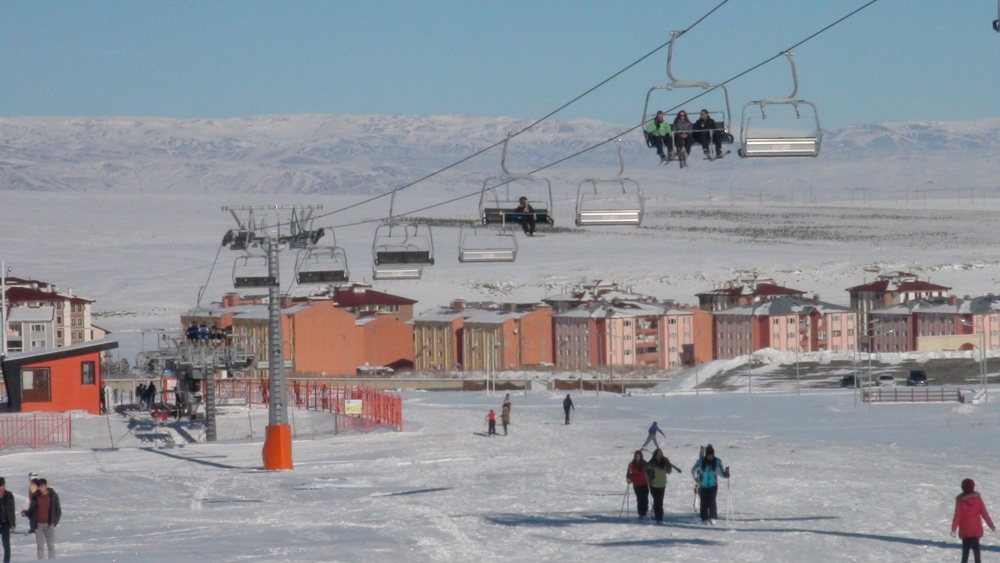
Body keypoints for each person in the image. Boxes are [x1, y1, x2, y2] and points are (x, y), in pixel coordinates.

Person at [952, 478, 996, 563]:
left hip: (965, 530)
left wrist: (953, 528)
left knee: (965, 552)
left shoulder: (960, 501)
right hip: (976, 529)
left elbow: (957, 515)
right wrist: (991, 526)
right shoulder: (977, 499)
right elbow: (984, 513)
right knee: (976, 551)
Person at [22, 478, 60, 559]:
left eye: (43, 486)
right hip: (38, 524)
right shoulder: (36, 496)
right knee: (40, 547)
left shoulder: (52, 496)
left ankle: (52, 561)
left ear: (46, 486)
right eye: (40, 487)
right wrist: (26, 513)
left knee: (50, 546)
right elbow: (32, 509)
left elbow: (58, 510)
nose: (41, 488)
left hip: (49, 524)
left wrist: (54, 522)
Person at [691, 444, 729, 524]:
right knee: (704, 502)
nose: (710, 457)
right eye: (708, 455)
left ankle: (713, 517)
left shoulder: (717, 462)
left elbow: (721, 473)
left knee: (712, 501)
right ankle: (704, 518)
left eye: (711, 455)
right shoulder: (701, 462)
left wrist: (726, 474)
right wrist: (696, 478)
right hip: (703, 485)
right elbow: (693, 470)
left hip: (713, 485)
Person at [647, 449, 673, 524]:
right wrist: (650, 475)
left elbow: (669, 471)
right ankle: (658, 515)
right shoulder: (651, 463)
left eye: (660, 454)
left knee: (659, 500)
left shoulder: (664, 463)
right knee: (656, 500)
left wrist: (668, 464)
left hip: (661, 484)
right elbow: (647, 470)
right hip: (654, 484)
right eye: (657, 454)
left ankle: (659, 516)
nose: (659, 456)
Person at [625, 450, 650, 520]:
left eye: (639, 456)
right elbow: (629, 473)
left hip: (644, 483)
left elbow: (649, 471)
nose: (638, 458)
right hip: (636, 484)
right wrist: (628, 478)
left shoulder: (645, 464)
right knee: (639, 499)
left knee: (645, 498)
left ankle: (644, 512)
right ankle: (641, 513)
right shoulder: (631, 465)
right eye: (636, 456)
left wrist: (649, 477)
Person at [0, 477, 15, 563]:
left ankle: (6, 561)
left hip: (5, 522)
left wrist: (13, 523)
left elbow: (11, 510)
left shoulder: (9, 496)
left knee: (6, 544)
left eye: (1, 486)